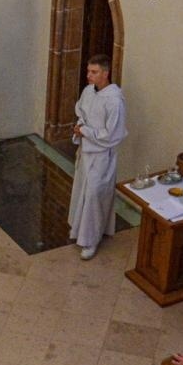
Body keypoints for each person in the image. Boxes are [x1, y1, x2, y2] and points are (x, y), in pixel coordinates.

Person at [68, 55, 128, 260]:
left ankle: (91, 240)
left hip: (102, 155)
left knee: (95, 195)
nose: (89, 76)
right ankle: (79, 231)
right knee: (82, 192)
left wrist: (86, 132)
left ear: (106, 73)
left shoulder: (114, 101)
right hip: (86, 152)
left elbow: (113, 134)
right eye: (88, 71)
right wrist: (79, 127)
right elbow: (81, 112)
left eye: (93, 72)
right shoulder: (88, 91)